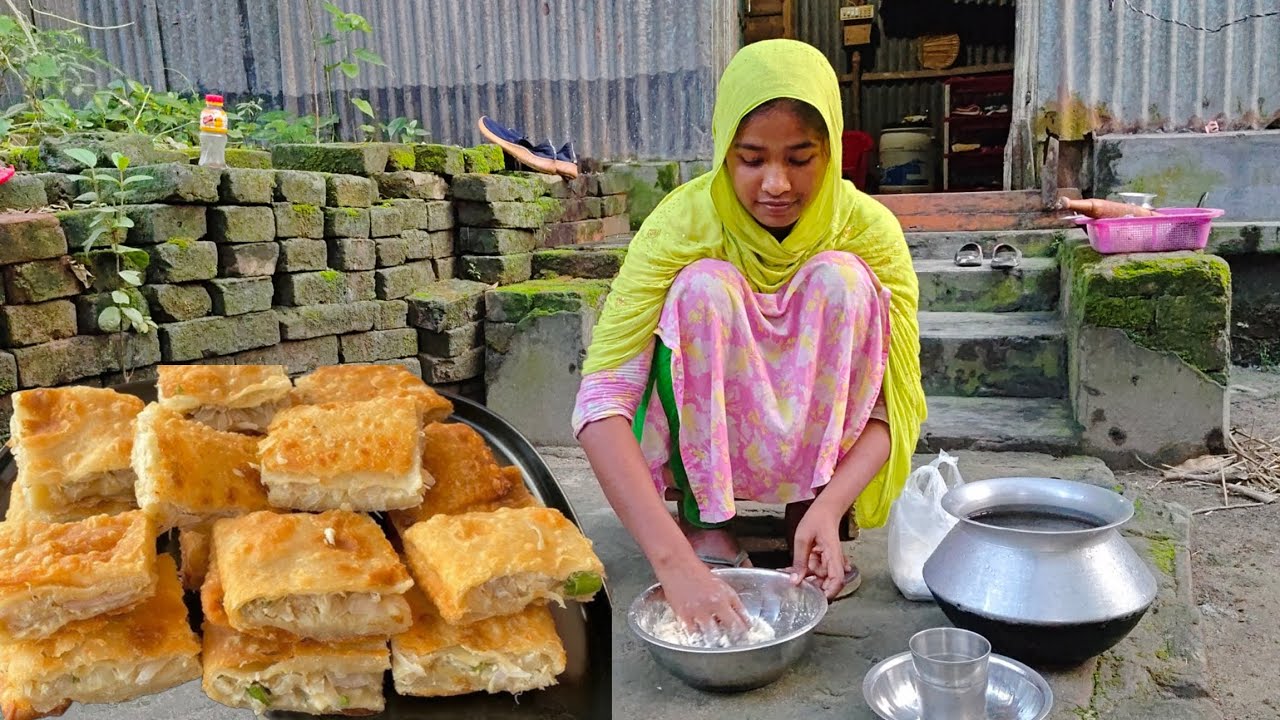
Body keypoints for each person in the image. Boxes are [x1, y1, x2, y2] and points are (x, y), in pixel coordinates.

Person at [572, 39, 926, 637]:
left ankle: (807, 516)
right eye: (752, 158)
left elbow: (896, 399)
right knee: (703, 288)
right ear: (724, 153)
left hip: (821, 481)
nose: (777, 184)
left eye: (801, 157)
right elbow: (601, 399)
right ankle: (704, 519)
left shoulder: (868, 230)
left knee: (843, 281)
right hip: (702, 458)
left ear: (835, 151)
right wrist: (673, 564)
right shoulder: (680, 226)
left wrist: (832, 502)